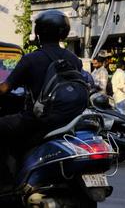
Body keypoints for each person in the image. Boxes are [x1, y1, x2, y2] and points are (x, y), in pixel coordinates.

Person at [0, 10, 87, 180]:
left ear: (38, 33)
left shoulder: (31, 59)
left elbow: (5, 88)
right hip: (67, 121)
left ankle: (6, 178)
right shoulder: (74, 59)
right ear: (64, 33)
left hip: (36, 121)